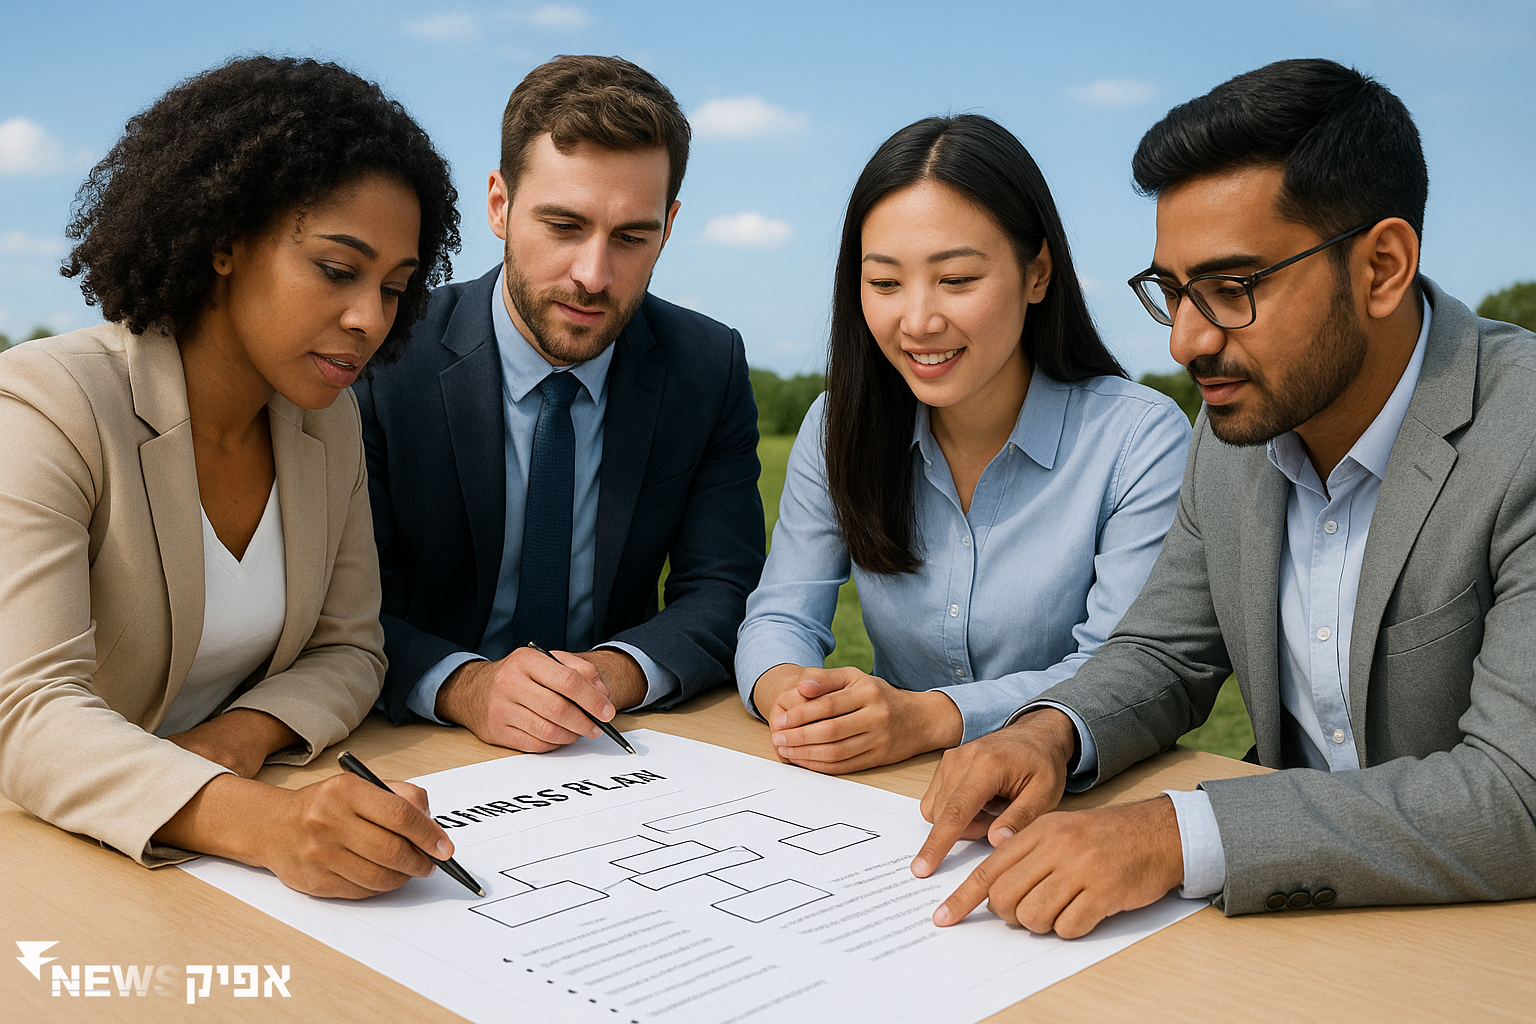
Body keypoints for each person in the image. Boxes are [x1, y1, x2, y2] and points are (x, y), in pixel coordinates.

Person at [914, 58, 1536, 938]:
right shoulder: (1237, 423)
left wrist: (1176, 835)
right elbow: (1166, 651)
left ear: (1384, 266)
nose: (1185, 340)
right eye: (1171, 290)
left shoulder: (1525, 434)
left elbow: (1519, 793)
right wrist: (1048, 732)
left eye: (1232, 288)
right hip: (1300, 928)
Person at [0, 56, 463, 898]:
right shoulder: (47, 405)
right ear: (223, 240)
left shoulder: (328, 419)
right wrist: (267, 824)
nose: (368, 319)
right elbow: (28, 712)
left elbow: (350, 646)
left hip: (205, 865)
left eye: (394, 289)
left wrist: (238, 739)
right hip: (52, 863)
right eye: (336, 269)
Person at [733, 115, 1191, 774]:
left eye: (956, 280)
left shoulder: (1138, 439)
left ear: (1037, 274)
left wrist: (931, 716)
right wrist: (795, 700)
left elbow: (1119, 668)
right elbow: (781, 614)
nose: (918, 321)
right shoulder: (838, 425)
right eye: (885, 283)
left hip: (1081, 799)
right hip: (892, 790)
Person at [358, 55, 765, 752]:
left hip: (612, 739)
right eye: (565, 226)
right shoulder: (387, 354)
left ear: (668, 226)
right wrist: (466, 686)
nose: (593, 275)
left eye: (632, 237)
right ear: (499, 205)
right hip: (411, 740)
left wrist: (606, 675)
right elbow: (344, 607)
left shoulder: (708, 365)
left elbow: (723, 590)